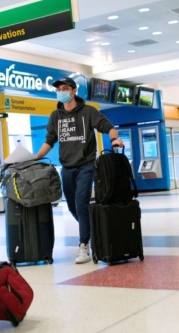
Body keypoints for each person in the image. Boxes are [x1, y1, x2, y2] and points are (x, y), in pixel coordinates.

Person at [34, 77, 123, 264]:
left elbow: (108, 127)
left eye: (65, 88)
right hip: (66, 167)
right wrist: (34, 157)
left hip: (86, 164)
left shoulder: (88, 112)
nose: (61, 92)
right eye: (58, 89)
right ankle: (93, 228)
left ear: (74, 91)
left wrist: (115, 139)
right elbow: (49, 140)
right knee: (73, 207)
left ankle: (84, 246)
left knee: (81, 203)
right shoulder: (55, 116)